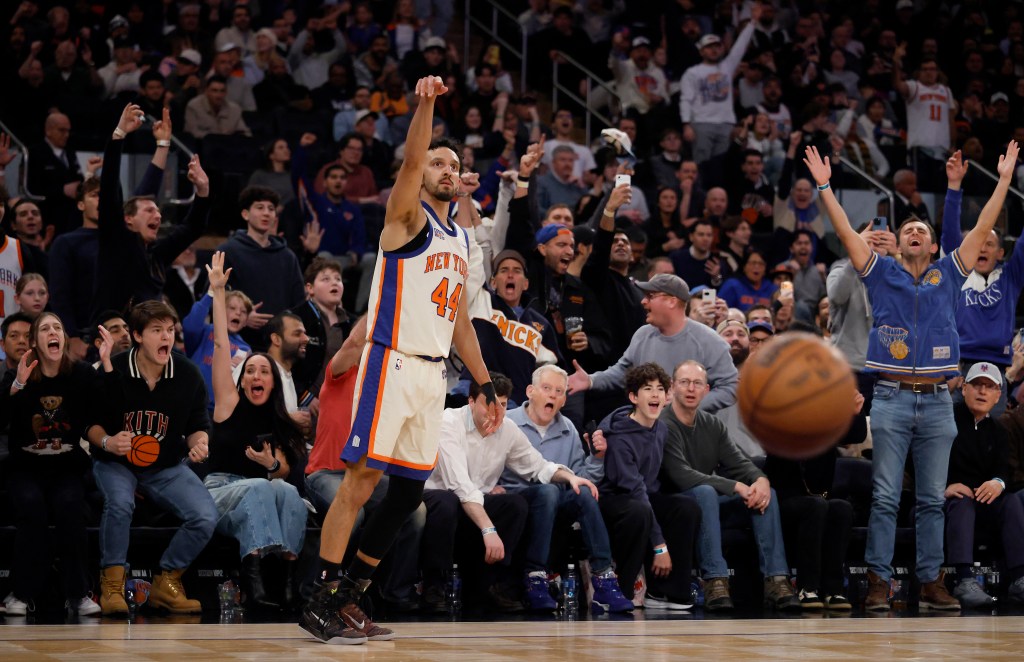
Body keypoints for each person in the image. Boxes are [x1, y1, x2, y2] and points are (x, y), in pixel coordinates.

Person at [300, 76, 498, 646]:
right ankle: (322, 595)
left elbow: (459, 321)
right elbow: (411, 163)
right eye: (437, 160)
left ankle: (351, 595)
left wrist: (484, 383)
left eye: (452, 163)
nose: (443, 167)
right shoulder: (404, 221)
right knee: (361, 481)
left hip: (434, 375)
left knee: (411, 492)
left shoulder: (460, 240)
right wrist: (426, 106)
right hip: (391, 364)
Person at [802, 140, 1020, 612]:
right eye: (908, 230)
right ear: (899, 245)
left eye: (922, 228)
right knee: (883, 497)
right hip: (893, 398)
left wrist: (1003, 180)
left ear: (935, 243)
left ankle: (929, 581)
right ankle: (880, 582)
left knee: (929, 499)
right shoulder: (879, 273)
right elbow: (842, 228)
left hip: (940, 400)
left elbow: (984, 227)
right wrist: (824, 185)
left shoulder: (949, 271)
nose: (916, 232)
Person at [423, 374, 600, 612]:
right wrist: (488, 529)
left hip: (477, 501)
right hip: (442, 499)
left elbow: (537, 466)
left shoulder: (507, 428)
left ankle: (492, 585)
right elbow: (459, 486)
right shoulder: (448, 422)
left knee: (515, 504)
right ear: (472, 401)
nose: (496, 412)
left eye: (503, 405)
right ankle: (434, 585)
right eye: (490, 404)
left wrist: (570, 476)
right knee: (446, 502)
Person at [86, 300, 218, 616]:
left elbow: (198, 426)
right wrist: (107, 441)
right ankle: (113, 584)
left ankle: (167, 581)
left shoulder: (187, 373)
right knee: (120, 503)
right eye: (157, 330)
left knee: (205, 516)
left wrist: (200, 444)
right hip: (116, 462)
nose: (166, 337)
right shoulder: (113, 368)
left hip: (166, 466)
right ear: (137, 335)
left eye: (170, 330)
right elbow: (89, 424)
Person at [203, 252, 308, 609]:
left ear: (273, 382)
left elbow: (284, 471)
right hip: (219, 489)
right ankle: (256, 581)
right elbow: (220, 345)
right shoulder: (228, 403)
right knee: (264, 486)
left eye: (264, 371)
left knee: (288, 492)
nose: (256, 375)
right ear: (242, 378)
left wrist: (269, 463)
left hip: (253, 504)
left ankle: (288, 582)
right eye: (250, 370)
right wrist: (218, 292)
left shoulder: (279, 420)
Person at [304, 315, 426, 612]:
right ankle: (322, 590)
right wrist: (383, 306)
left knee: (415, 507)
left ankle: (388, 591)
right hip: (326, 472)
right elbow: (354, 342)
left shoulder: (389, 384)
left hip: (367, 476)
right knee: (352, 510)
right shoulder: (342, 371)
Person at [659, 360, 800, 611]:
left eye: (697, 383)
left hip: (709, 502)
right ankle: (715, 581)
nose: (691, 388)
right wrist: (735, 486)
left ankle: (777, 580)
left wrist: (761, 480)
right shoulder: (664, 423)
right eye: (684, 382)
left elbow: (739, 463)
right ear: (672, 388)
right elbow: (681, 475)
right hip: (674, 503)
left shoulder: (712, 424)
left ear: (706, 390)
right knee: (705, 491)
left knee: (766, 494)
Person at [502, 365, 633, 614]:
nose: (552, 395)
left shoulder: (569, 428)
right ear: (531, 391)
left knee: (582, 492)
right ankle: (535, 577)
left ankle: (604, 577)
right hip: (516, 499)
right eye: (547, 388)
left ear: (564, 399)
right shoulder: (508, 421)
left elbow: (579, 479)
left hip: (555, 502)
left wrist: (596, 457)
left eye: (559, 391)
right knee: (548, 491)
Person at [0, 312, 100, 616]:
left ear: (64, 338)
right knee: (31, 508)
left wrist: (107, 364)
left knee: (70, 506)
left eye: (58, 327)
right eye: (45, 329)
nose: (53, 332)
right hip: (24, 468)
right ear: (35, 342)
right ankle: (21, 593)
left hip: (67, 467)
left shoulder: (82, 374)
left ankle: (78, 594)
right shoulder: (17, 375)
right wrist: (17, 384)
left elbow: (103, 412)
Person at [594, 363, 702, 609]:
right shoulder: (619, 437)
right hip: (613, 500)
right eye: (647, 389)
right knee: (639, 510)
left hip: (645, 496)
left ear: (667, 397)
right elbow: (634, 489)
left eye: (660, 389)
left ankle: (667, 591)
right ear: (633, 397)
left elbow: (649, 488)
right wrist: (660, 545)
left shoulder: (660, 428)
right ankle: (622, 588)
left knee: (686, 507)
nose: (655, 394)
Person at [91, 104, 211, 321]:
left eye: (158, 212)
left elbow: (193, 227)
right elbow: (109, 190)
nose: (157, 215)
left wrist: (202, 190)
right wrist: (118, 135)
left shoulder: (156, 255)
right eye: (149, 211)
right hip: (114, 338)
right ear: (127, 219)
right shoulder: (116, 240)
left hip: (150, 341)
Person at [567, 273, 738, 413]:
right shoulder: (643, 334)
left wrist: (688, 404)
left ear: (672, 301)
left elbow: (731, 387)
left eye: (650, 296)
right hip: (646, 430)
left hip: (691, 434)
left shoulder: (710, 340)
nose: (643, 301)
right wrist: (591, 380)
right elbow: (622, 372)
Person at [940, 152, 1024, 418]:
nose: (982, 248)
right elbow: (950, 234)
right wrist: (954, 187)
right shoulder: (957, 272)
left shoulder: (1011, 277)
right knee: (953, 438)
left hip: (997, 369)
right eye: (978, 243)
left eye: (990, 244)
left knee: (991, 439)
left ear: (1001, 253)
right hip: (959, 367)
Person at [945, 362, 1024, 608]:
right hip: (949, 503)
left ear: (998, 395)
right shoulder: (945, 420)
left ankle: (1020, 578)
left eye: (989, 387)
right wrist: (944, 487)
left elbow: (1005, 472)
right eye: (977, 385)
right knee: (962, 500)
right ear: (964, 388)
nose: (982, 391)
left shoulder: (998, 430)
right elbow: (917, 463)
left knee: (1010, 500)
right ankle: (964, 579)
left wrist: (998, 483)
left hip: (984, 504)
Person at [678, 2, 761, 185]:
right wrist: (686, 124)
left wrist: (753, 22)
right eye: (709, 47)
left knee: (722, 166)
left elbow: (739, 47)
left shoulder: (727, 67)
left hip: (725, 124)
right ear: (701, 51)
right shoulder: (692, 73)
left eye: (717, 46)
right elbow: (685, 100)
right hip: (701, 124)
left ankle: (717, 199)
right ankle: (700, 199)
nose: (714, 49)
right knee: (701, 166)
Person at [218, 186, 306, 350]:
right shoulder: (228, 251)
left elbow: (298, 303)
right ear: (245, 214)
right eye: (260, 207)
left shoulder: (287, 256)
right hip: (238, 345)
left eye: (271, 209)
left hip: (281, 346)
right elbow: (215, 296)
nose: (266, 213)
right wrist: (241, 316)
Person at [182, 284, 252, 409]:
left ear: (246, 321)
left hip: (218, 412)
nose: (238, 313)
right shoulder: (205, 332)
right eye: (232, 308)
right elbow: (190, 326)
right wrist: (210, 294)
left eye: (243, 312)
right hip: (189, 401)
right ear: (220, 310)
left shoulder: (245, 350)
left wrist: (240, 370)